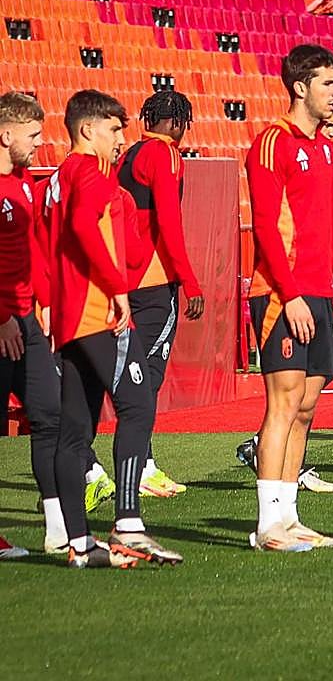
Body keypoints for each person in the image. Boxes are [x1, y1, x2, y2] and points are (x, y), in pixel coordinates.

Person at [44, 89, 179, 567]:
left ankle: (79, 547)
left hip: (68, 318)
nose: (122, 137)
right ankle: (128, 523)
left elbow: (50, 246)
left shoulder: (57, 178)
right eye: (114, 128)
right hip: (99, 312)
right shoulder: (89, 172)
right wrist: (117, 288)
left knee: (75, 430)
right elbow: (83, 226)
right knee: (138, 403)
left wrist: (48, 304)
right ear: (87, 130)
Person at [245, 44, 333, 553]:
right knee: (283, 402)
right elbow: (266, 231)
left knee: (307, 408)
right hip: (282, 295)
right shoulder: (271, 143)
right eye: (328, 84)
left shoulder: (327, 148)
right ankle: (266, 523)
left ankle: (290, 516)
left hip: (319, 294)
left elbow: (331, 229)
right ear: (300, 87)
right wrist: (290, 294)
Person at [110, 89, 205, 497]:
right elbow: (168, 221)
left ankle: (135, 463)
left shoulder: (128, 155)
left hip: (124, 277)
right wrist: (189, 281)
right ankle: (143, 466)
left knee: (131, 372)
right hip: (153, 280)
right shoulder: (166, 155)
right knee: (148, 375)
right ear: (177, 123)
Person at [0, 92, 65, 555]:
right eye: (33, 134)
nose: (41, 143)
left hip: (27, 321)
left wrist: (43, 306)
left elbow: (36, 253)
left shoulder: (24, 183)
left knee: (49, 416)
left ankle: (58, 527)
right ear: (6, 135)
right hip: (2, 322)